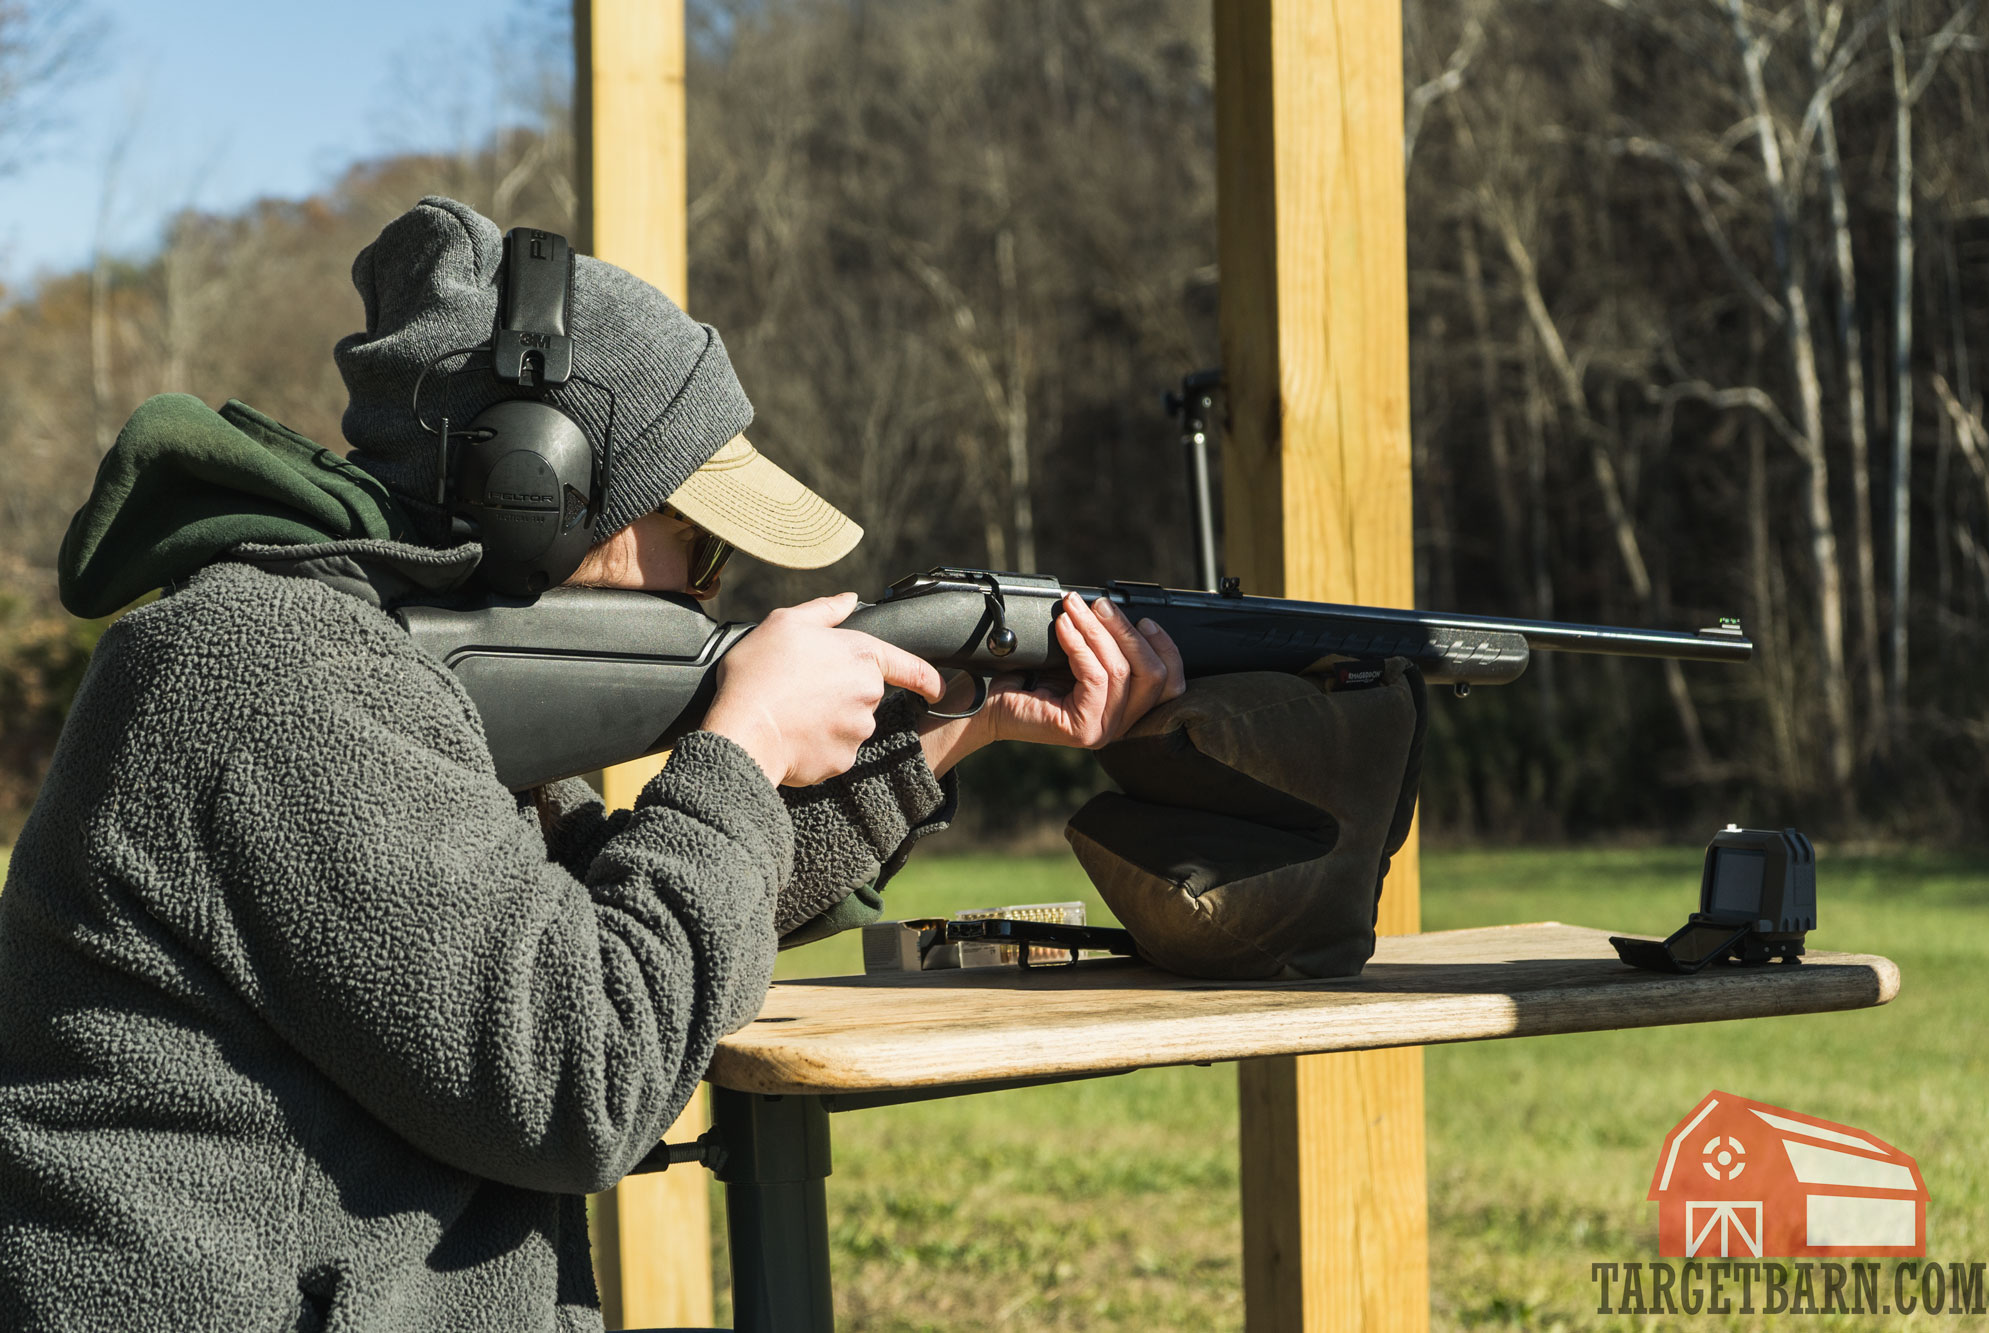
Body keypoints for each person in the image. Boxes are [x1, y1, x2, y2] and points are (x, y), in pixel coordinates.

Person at [0, 196, 1183, 1333]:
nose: (706, 590)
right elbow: (581, 1073)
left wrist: (950, 728)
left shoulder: (383, 676)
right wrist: (741, 743)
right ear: (538, 488)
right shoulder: (273, 674)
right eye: (697, 541)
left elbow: (624, 924)